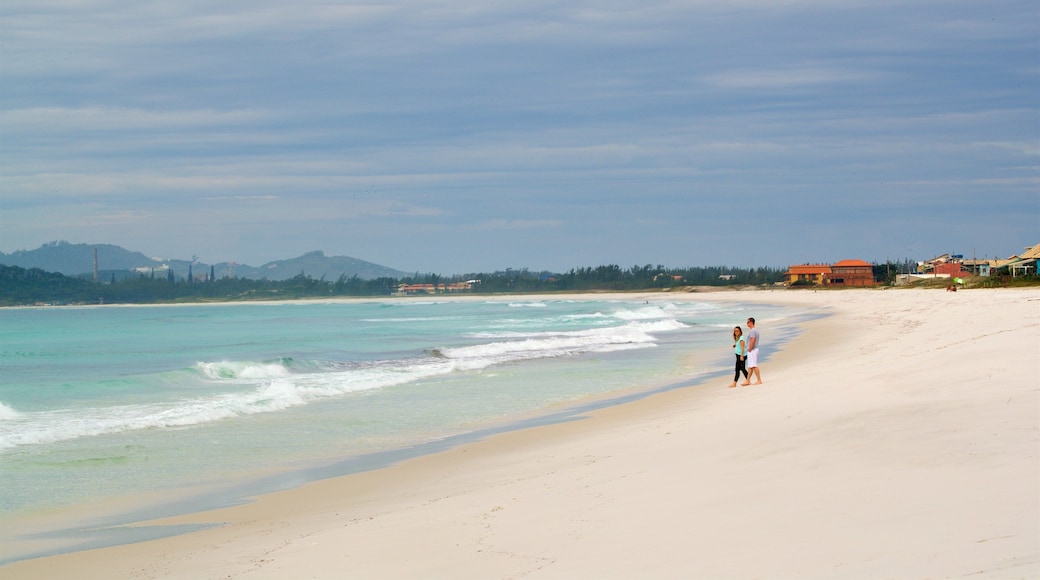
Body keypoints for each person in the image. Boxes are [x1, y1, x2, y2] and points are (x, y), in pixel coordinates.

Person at [744, 317, 763, 385]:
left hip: (752, 350)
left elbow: (752, 340)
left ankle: (759, 380)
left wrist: (749, 348)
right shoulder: (755, 330)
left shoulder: (752, 331)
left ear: (751, 322)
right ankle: (748, 380)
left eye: (748, 322)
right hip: (753, 349)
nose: (747, 324)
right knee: (750, 366)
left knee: (754, 365)